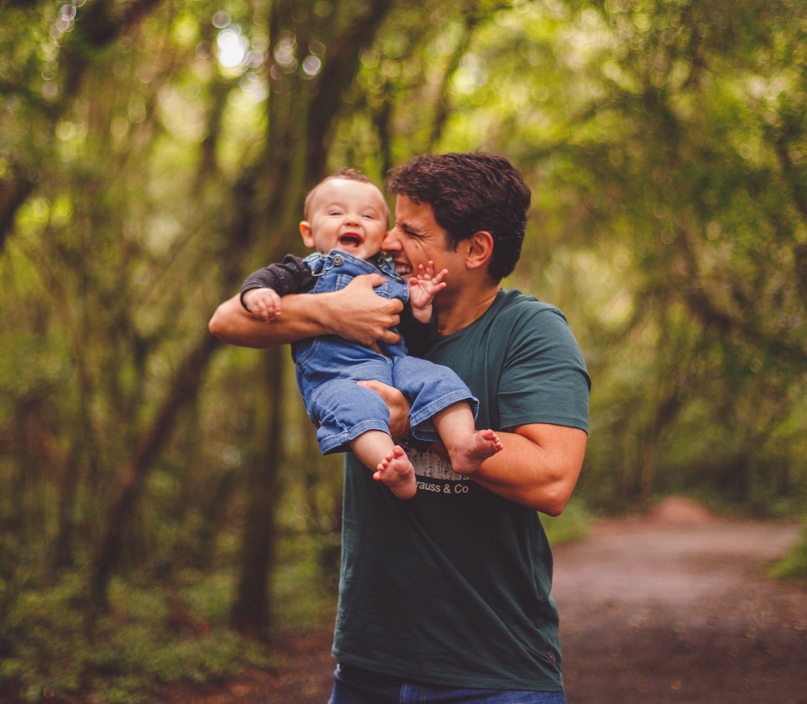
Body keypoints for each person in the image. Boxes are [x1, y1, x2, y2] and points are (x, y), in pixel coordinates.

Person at [209, 153, 590, 702]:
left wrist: (414, 423)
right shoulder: (371, 303)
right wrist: (332, 314)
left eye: (410, 232)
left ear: (476, 250)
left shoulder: (530, 331)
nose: (387, 242)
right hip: (370, 659)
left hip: (491, 665)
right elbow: (226, 320)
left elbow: (552, 479)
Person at [239, 169, 502, 499]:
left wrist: (420, 310)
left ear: (383, 235)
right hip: (336, 377)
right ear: (308, 232)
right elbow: (263, 282)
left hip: (394, 364)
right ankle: (391, 465)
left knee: (439, 377)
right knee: (355, 407)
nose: (352, 221)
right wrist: (257, 294)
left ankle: (461, 443)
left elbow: (418, 342)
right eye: (336, 213)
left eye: (368, 216)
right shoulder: (307, 269)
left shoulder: (391, 274)